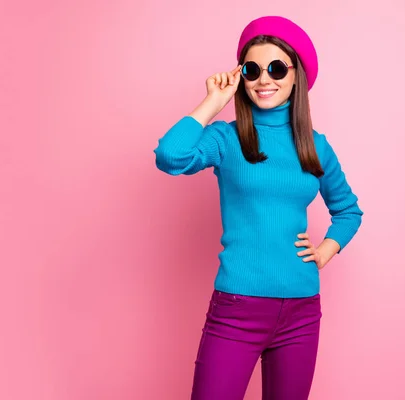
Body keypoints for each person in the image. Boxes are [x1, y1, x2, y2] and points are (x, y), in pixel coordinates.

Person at [154, 15, 363, 400]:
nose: (264, 79)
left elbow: (348, 211)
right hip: (237, 311)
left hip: (301, 310)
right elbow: (170, 156)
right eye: (253, 70)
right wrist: (213, 102)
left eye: (277, 68)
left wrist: (326, 249)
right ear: (242, 78)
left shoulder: (315, 146)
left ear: (296, 75)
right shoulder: (226, 138)